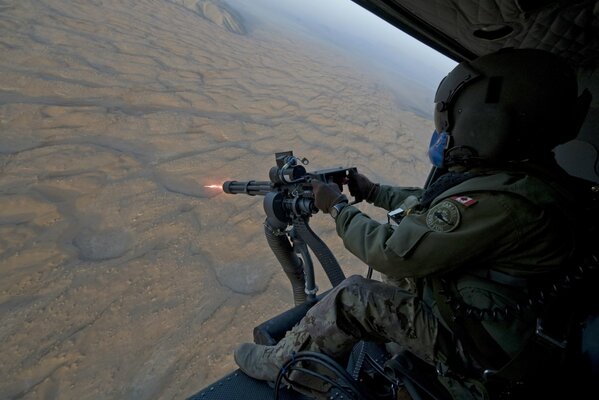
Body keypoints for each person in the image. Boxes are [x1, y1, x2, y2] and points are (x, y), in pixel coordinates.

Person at [233, 48, 596, 398]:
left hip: (485, 361)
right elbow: (431, 208)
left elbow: (392, 253)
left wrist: (338, 207)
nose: (445, 135)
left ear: (489, 121)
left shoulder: (507, 204)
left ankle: (281, 365)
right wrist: (374, 192)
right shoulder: (527, 180)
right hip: (505, 334)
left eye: (451, 125)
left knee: (353, 297)